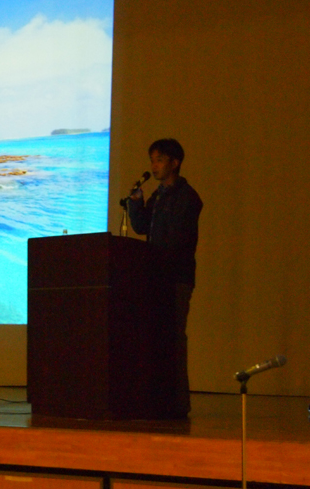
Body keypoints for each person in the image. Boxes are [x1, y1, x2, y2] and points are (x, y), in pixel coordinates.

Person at [128, 138, 202, 417]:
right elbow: (140, 227)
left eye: (159, 160)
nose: (154, 166)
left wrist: (155, 259)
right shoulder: (157, 196)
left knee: (174, 338)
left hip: (176, 278)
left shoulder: (188, 197)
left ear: (175, 162)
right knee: (156, 338)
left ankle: (179, 405)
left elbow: (178, 240)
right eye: (152, 161)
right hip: (156, 278)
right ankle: (158, 401)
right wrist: (137, 203)